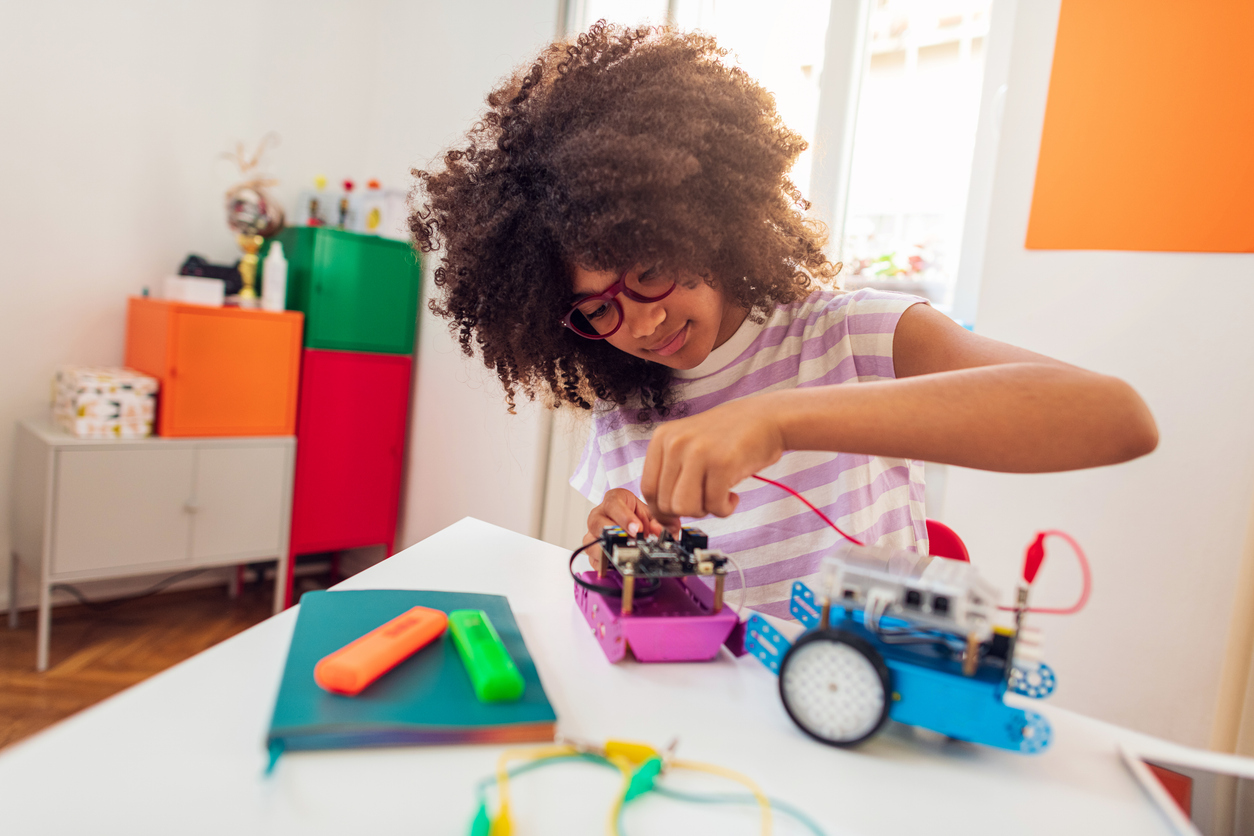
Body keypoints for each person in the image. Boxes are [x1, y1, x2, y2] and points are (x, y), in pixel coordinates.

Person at [409, 23, 1157, 617]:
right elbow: (641, 602)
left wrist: (777, 419)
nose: (640, 323)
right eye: (599, 307)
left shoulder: (855, 338)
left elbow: (1119, 417)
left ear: (706, 220)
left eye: (647, 270)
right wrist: (610, 552)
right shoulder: (626, 410)